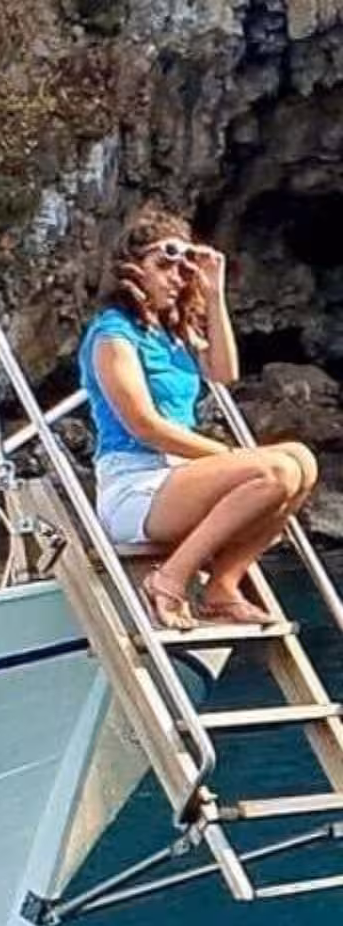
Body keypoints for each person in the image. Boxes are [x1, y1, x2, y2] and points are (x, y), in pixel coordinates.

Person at [79, 207, 318, 630]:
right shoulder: (113, 334)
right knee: (277, 470)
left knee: (302, 461)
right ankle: (168, 580)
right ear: (133, 269)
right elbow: (145, 426)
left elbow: (224, 374)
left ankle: (223, 587)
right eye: (164, 265)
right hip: (135, 486)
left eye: (182, 268)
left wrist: (213, 294)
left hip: (178, 478)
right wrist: (225, 454)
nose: (176, 277)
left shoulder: (169, 333)